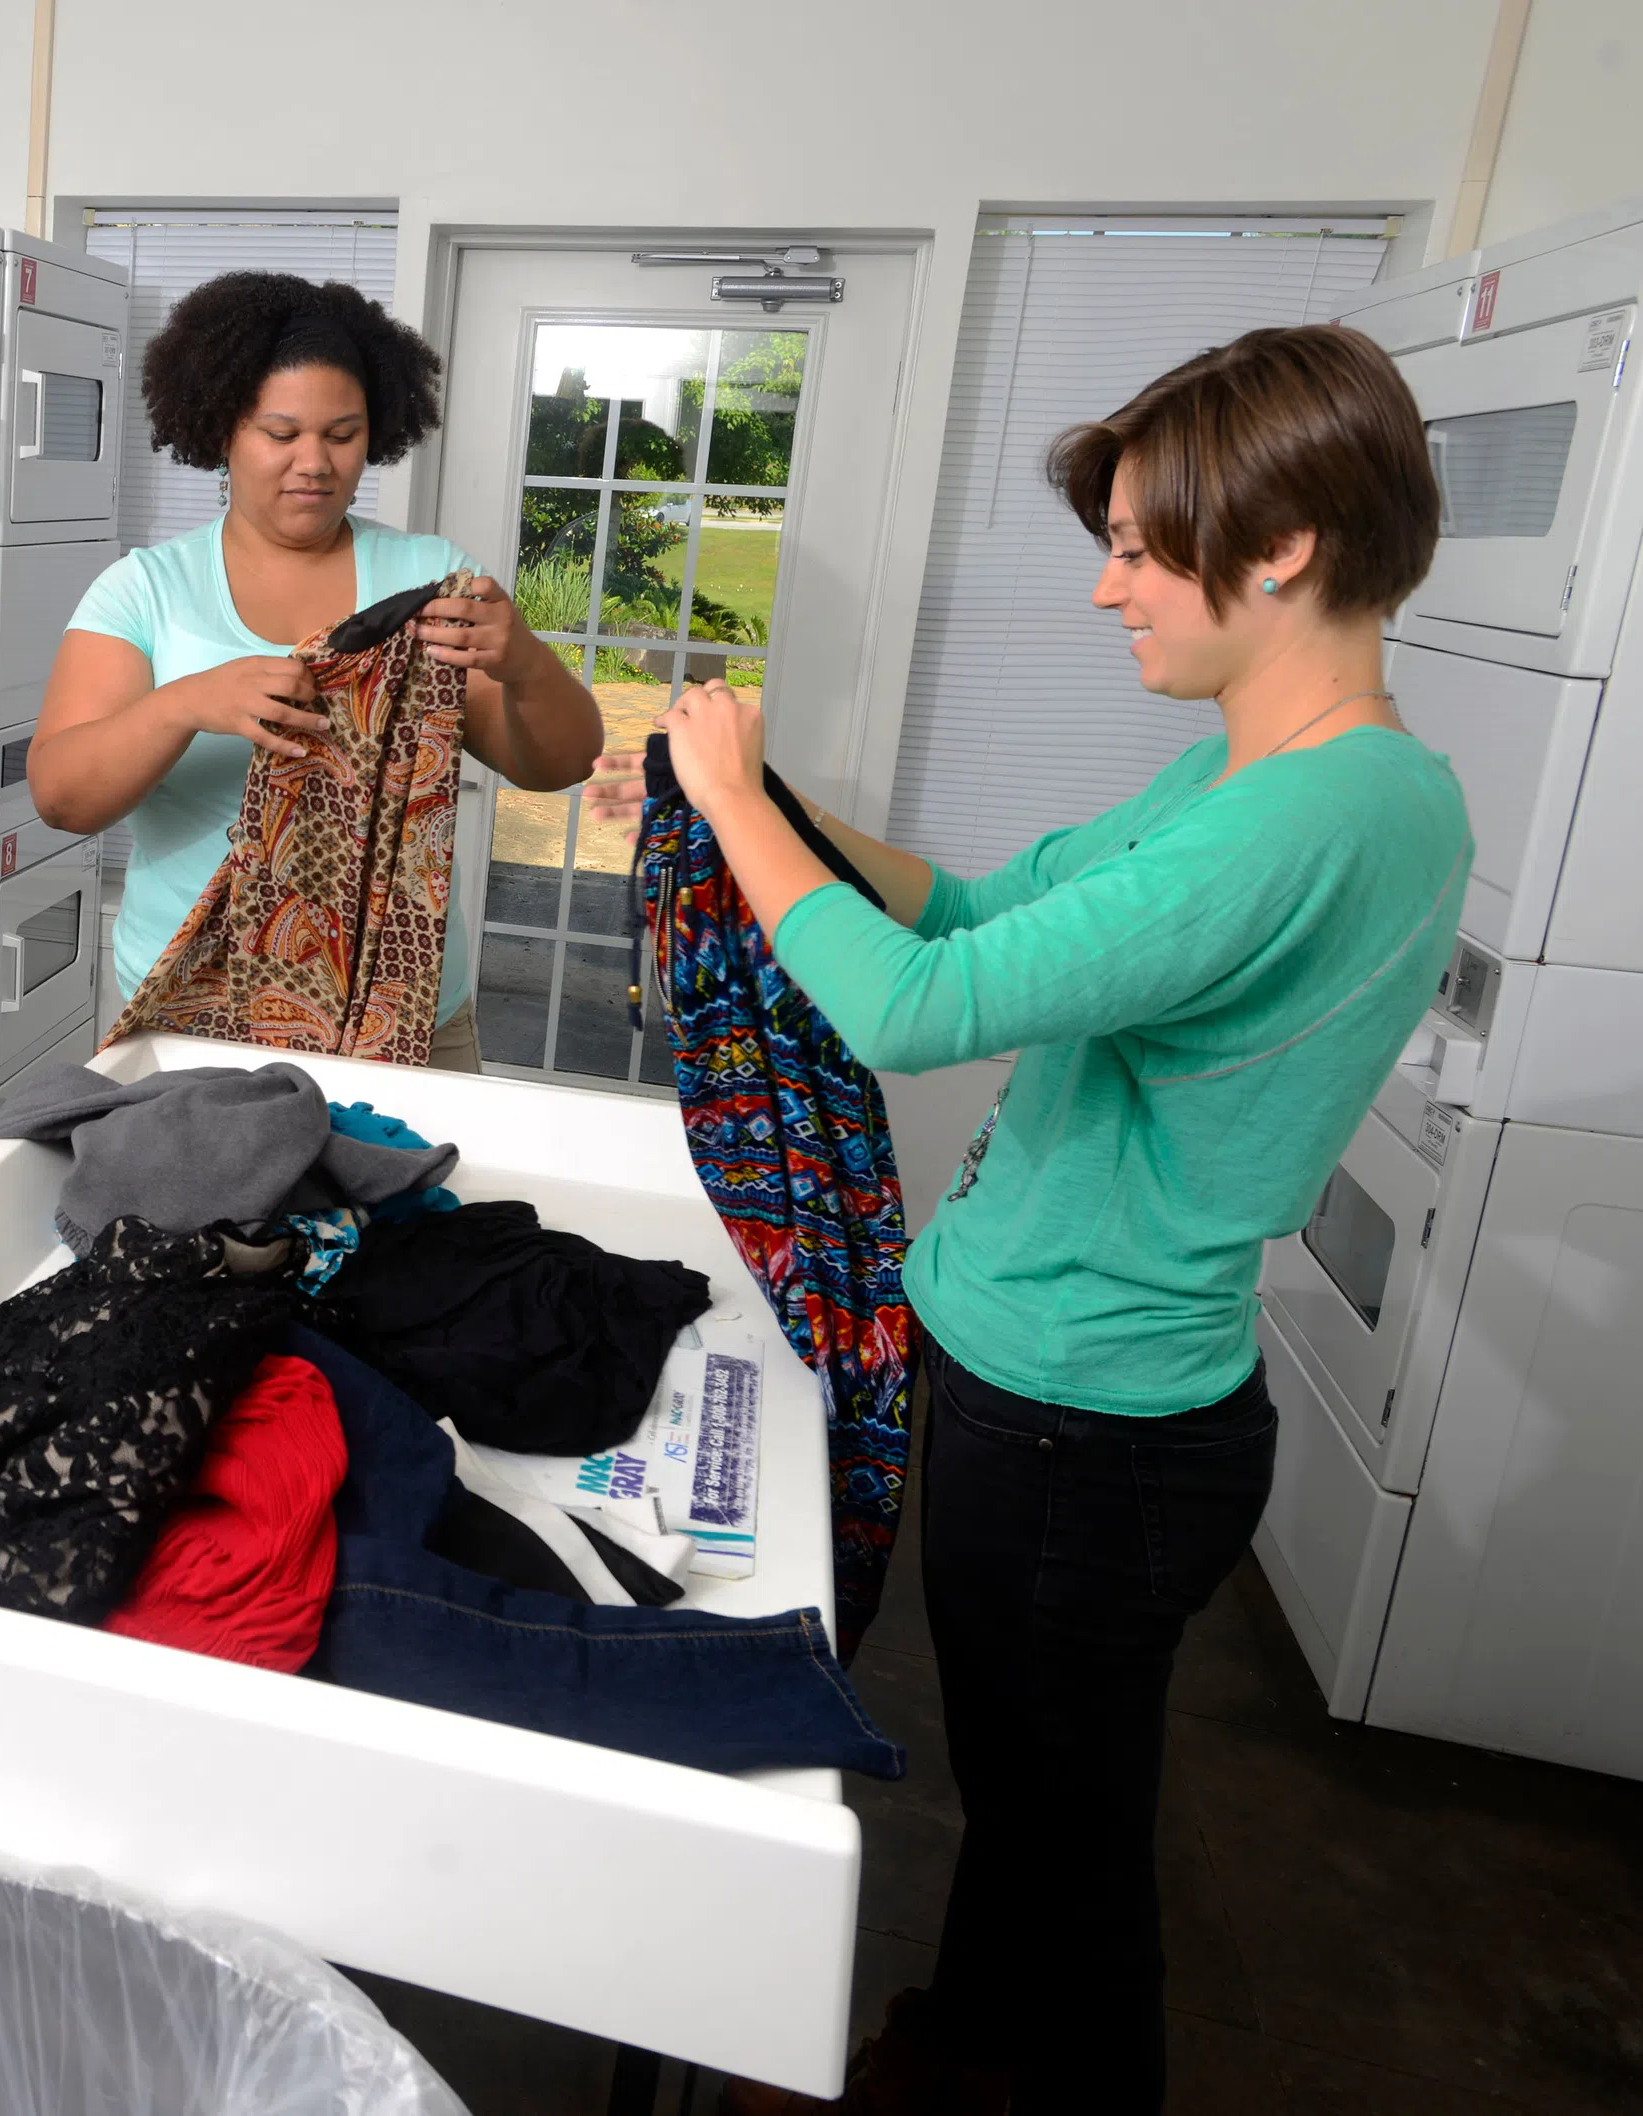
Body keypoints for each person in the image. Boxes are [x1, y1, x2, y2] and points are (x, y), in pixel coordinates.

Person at [592, 323, 1467, 2114]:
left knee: (1072, 1866)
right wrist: (760, 818)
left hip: (1087, 1426)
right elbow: (971, 910)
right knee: (1032, 1817)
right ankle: (962, 2057)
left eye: (1142, 546)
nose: (1108, 589)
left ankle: (1030, 2070)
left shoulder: (1308, 817)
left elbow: (912, 1008)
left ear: (1282, 541)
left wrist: (741, 806)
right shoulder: (1259, 778)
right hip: (1051, 1392)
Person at [31, 272, 603, 1070]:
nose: (316, 463)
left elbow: (560, 764)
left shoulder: (430, 579)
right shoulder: (144, 590)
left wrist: (528, 666)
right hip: (197, 1019)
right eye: (281, 432)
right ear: (223, 427)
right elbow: (60, 798)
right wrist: (187, 703)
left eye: (342, 434)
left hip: (409, 1016)